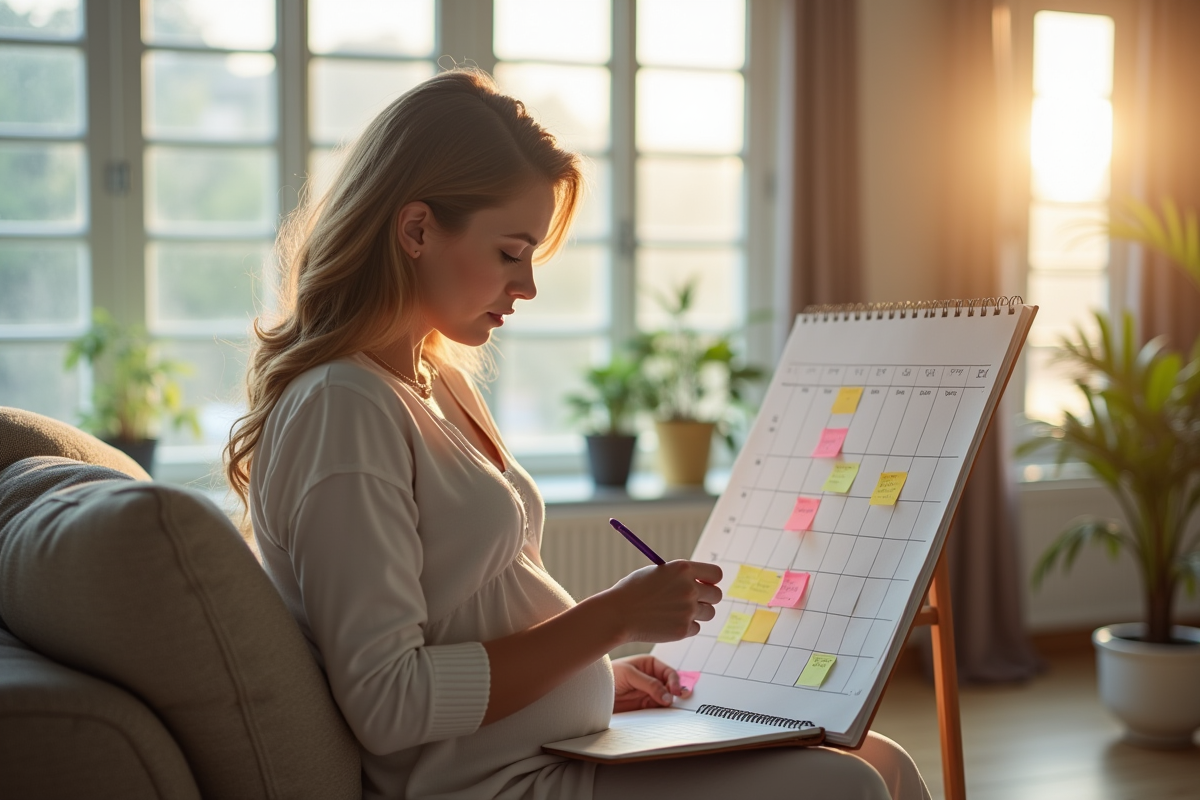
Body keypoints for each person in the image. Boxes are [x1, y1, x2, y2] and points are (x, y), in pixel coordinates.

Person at [226, 69, 930, 800]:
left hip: (547, 747)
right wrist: (612, 620)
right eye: (509, 252)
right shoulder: (342, 407)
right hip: (490, 785)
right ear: (416, 229)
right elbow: (390, 702)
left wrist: (598, 675)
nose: (526, 286)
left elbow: (467, 623)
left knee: (883, 761)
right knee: (846, 786)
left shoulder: (438, 381)